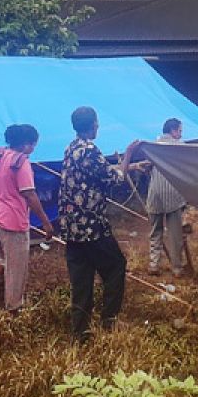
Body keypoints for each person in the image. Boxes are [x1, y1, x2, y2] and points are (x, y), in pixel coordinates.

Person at [58, 106, 141, 342]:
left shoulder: (71, 148)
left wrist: (125, 165)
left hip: (72, 226)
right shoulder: (90, 150)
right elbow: (115, 178)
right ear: (93, 124)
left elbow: (94, 175)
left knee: (81, 277)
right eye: (97, 123)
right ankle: (109, 319)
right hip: (91, 226)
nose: (98, 126)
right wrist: (128, 156)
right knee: (116, 265)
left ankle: (80, 331)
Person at [0, 124, 54, 311]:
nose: (33, 149)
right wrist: (45, 222)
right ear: (26, 144)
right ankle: (14, 310)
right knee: (16, 269)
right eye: (33, 145)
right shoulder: (20, 161)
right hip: (11, 223)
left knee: (2, 256)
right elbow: (30, 194)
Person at [142, 118, 187, 276]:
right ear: (173, 131)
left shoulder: (153, 146)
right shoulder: (180, 146)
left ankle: (154, 264)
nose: (181, 134)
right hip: (172, 195)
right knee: (175, 234)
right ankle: (177, 267)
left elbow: (148, 166)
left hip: (154, 195)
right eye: (180, 131)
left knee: (155, 232)